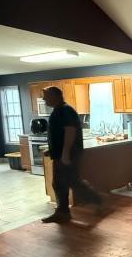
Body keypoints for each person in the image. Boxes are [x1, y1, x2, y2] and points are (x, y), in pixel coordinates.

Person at [41, 86, 102, 223]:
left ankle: (97, 200)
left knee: (72, 182)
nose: (44, 99)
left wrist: (65, 153)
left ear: (55, 96)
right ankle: (63, 212)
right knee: (60, 183)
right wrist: (53, 150)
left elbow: (70, 131)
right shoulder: (59, 110)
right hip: (61, 154)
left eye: (46, 96)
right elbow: (60, 135)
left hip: (68, 155)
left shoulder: (65, 110)